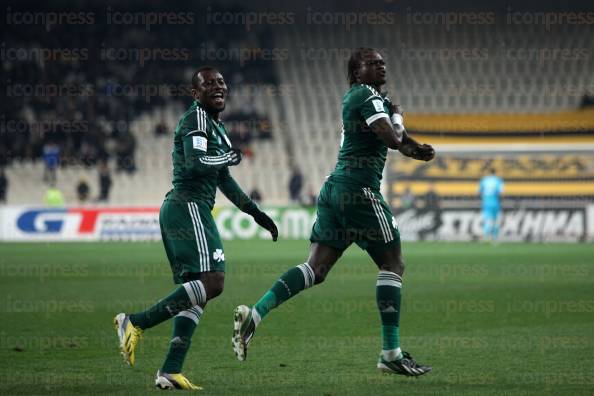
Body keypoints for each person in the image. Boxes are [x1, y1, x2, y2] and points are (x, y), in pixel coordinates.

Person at [232, 48, 435, 376]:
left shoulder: (365, 99)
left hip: (336, 190)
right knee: (392, 263)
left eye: (383, 62)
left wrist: (417, 150)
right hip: (358, 190)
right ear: (357, 71)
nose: (381, 66)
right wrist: (399, 116)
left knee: (316, 269)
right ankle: (390, 352)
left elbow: (401, 141)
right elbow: (393, 136)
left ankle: (253, 315)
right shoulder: (367, 96)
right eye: (373, 63)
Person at [113, 67, 278, 391]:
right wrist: (226, 158)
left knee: (198, 294)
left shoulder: (216, 127)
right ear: (195, 93)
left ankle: (169, 371)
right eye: (209, 84)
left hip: (190, 208)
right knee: (213, 282)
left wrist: (255, 213)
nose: (218, 87)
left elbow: (224, 180)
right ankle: (135, 322)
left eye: (221, 82)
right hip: (186, 206)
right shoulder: (197, 119)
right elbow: (195, 162)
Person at [479, 167, 504, 242]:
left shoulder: (484, 180)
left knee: (487, 219)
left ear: (489, 172)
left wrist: (483, 198)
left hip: (486, 201)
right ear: (495, 172)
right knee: (495, 220)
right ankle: (495, 237)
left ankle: (486, 235)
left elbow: (479, 191)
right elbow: (501, 192)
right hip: (495, 201)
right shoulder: (498, 180)